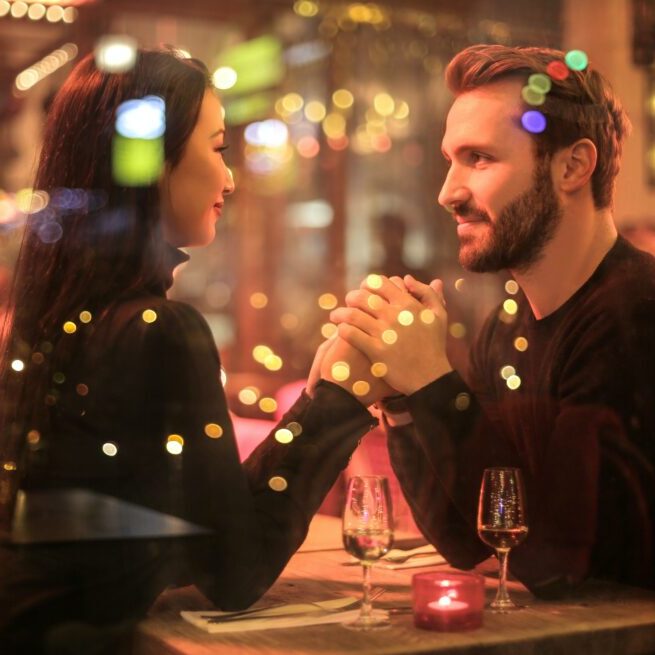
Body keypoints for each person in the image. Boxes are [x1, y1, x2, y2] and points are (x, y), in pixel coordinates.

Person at [0, 49, 384, 654]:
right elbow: (234, 572)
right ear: (155, 164)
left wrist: (316, 399)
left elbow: (199, 534)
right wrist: (340, 396)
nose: (230, 177)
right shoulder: (159, 330)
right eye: (218, 147)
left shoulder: (57, 318)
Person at [323, 44, 655, 597]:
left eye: (479, 158)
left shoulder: (636, 314)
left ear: (573, 166)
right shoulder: (507, 327)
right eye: (450, 160)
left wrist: (433, 382)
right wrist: (403, 401)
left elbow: (558, 562)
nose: (448, 192)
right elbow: (472, 540)